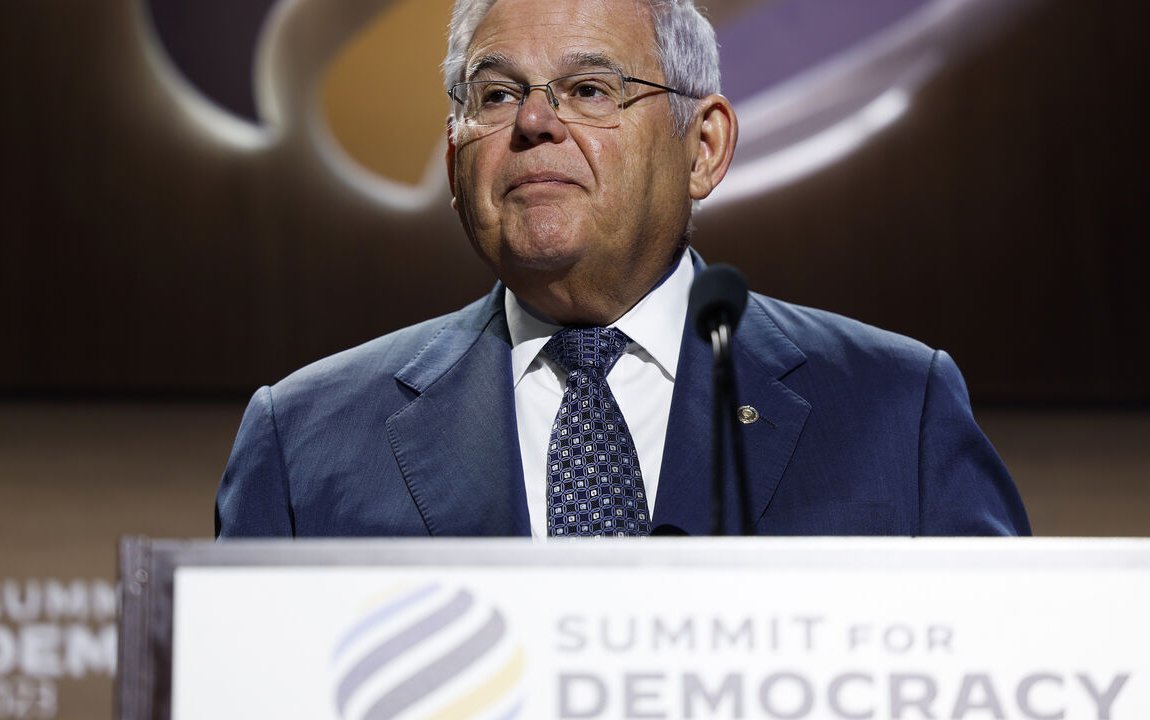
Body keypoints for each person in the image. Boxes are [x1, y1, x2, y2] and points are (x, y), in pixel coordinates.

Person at [215, 0, 1030, 538]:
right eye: (495, 96)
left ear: (702, 147)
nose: (534, 121)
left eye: (590, 88)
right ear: (458, 149)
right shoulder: (303, 440)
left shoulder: (897, 408)